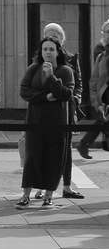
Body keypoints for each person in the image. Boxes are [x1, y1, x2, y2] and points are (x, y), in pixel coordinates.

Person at [17, 36, 74, 209]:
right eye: (44, 49)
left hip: (56, 122)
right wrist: (45, 97)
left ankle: (49, 195)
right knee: (32, 157)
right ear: (40, 52)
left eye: (51, 49)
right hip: (35, 121)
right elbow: (24, 91)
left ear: (58, 52)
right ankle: (25, 195)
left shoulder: (65, 70)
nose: (47, 52)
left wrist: (51, 77)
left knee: (53, 157)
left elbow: (66, 95)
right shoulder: (33, 68)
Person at [41, 23, 84, 199]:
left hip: (66, 109)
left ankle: (66, 186)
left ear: (61, 40)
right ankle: (43, 186)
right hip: (46, 109)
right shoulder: (40, 59)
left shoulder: (71, 59)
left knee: (66, 149)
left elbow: (78, 83)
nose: (53, 40)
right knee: (44, 149)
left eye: (56, 37)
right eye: (49, 36)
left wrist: (76, 98)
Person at [75, 19, 109, 158]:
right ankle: (84, 143)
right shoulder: (101, 56)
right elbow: (94, 82)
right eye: (107, 32)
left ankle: (84, 143)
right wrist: (97, 104)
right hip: (105, 100)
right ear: (103, 34)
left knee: (104, 121)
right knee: (103, 120)